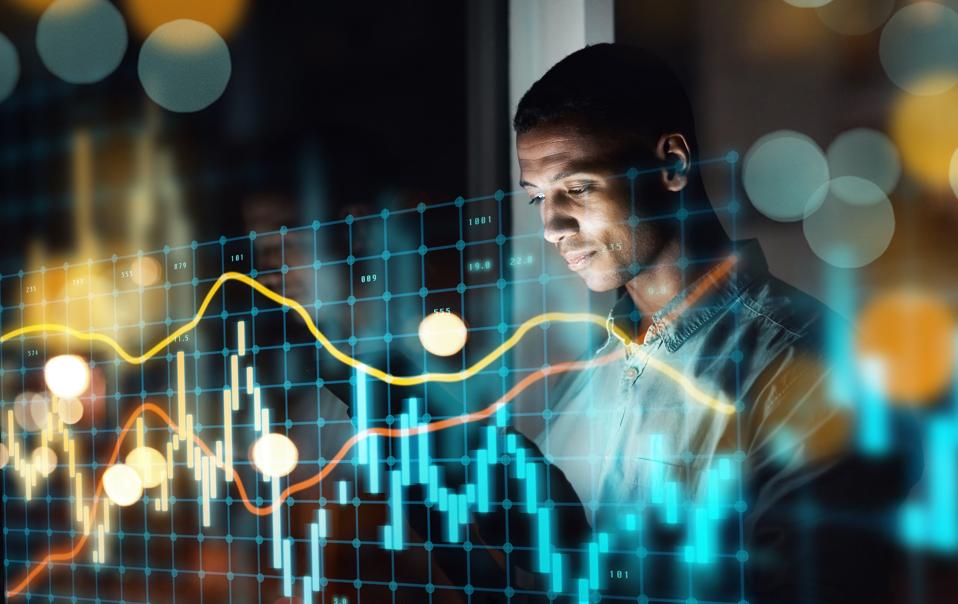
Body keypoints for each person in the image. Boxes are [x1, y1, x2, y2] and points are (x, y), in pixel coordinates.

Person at [467, 43, 916, 603]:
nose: (553, 225)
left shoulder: (810, 370)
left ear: (672, 164)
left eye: (577, 188)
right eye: (538, 199)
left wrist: (577, 556)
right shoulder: (598, 366)